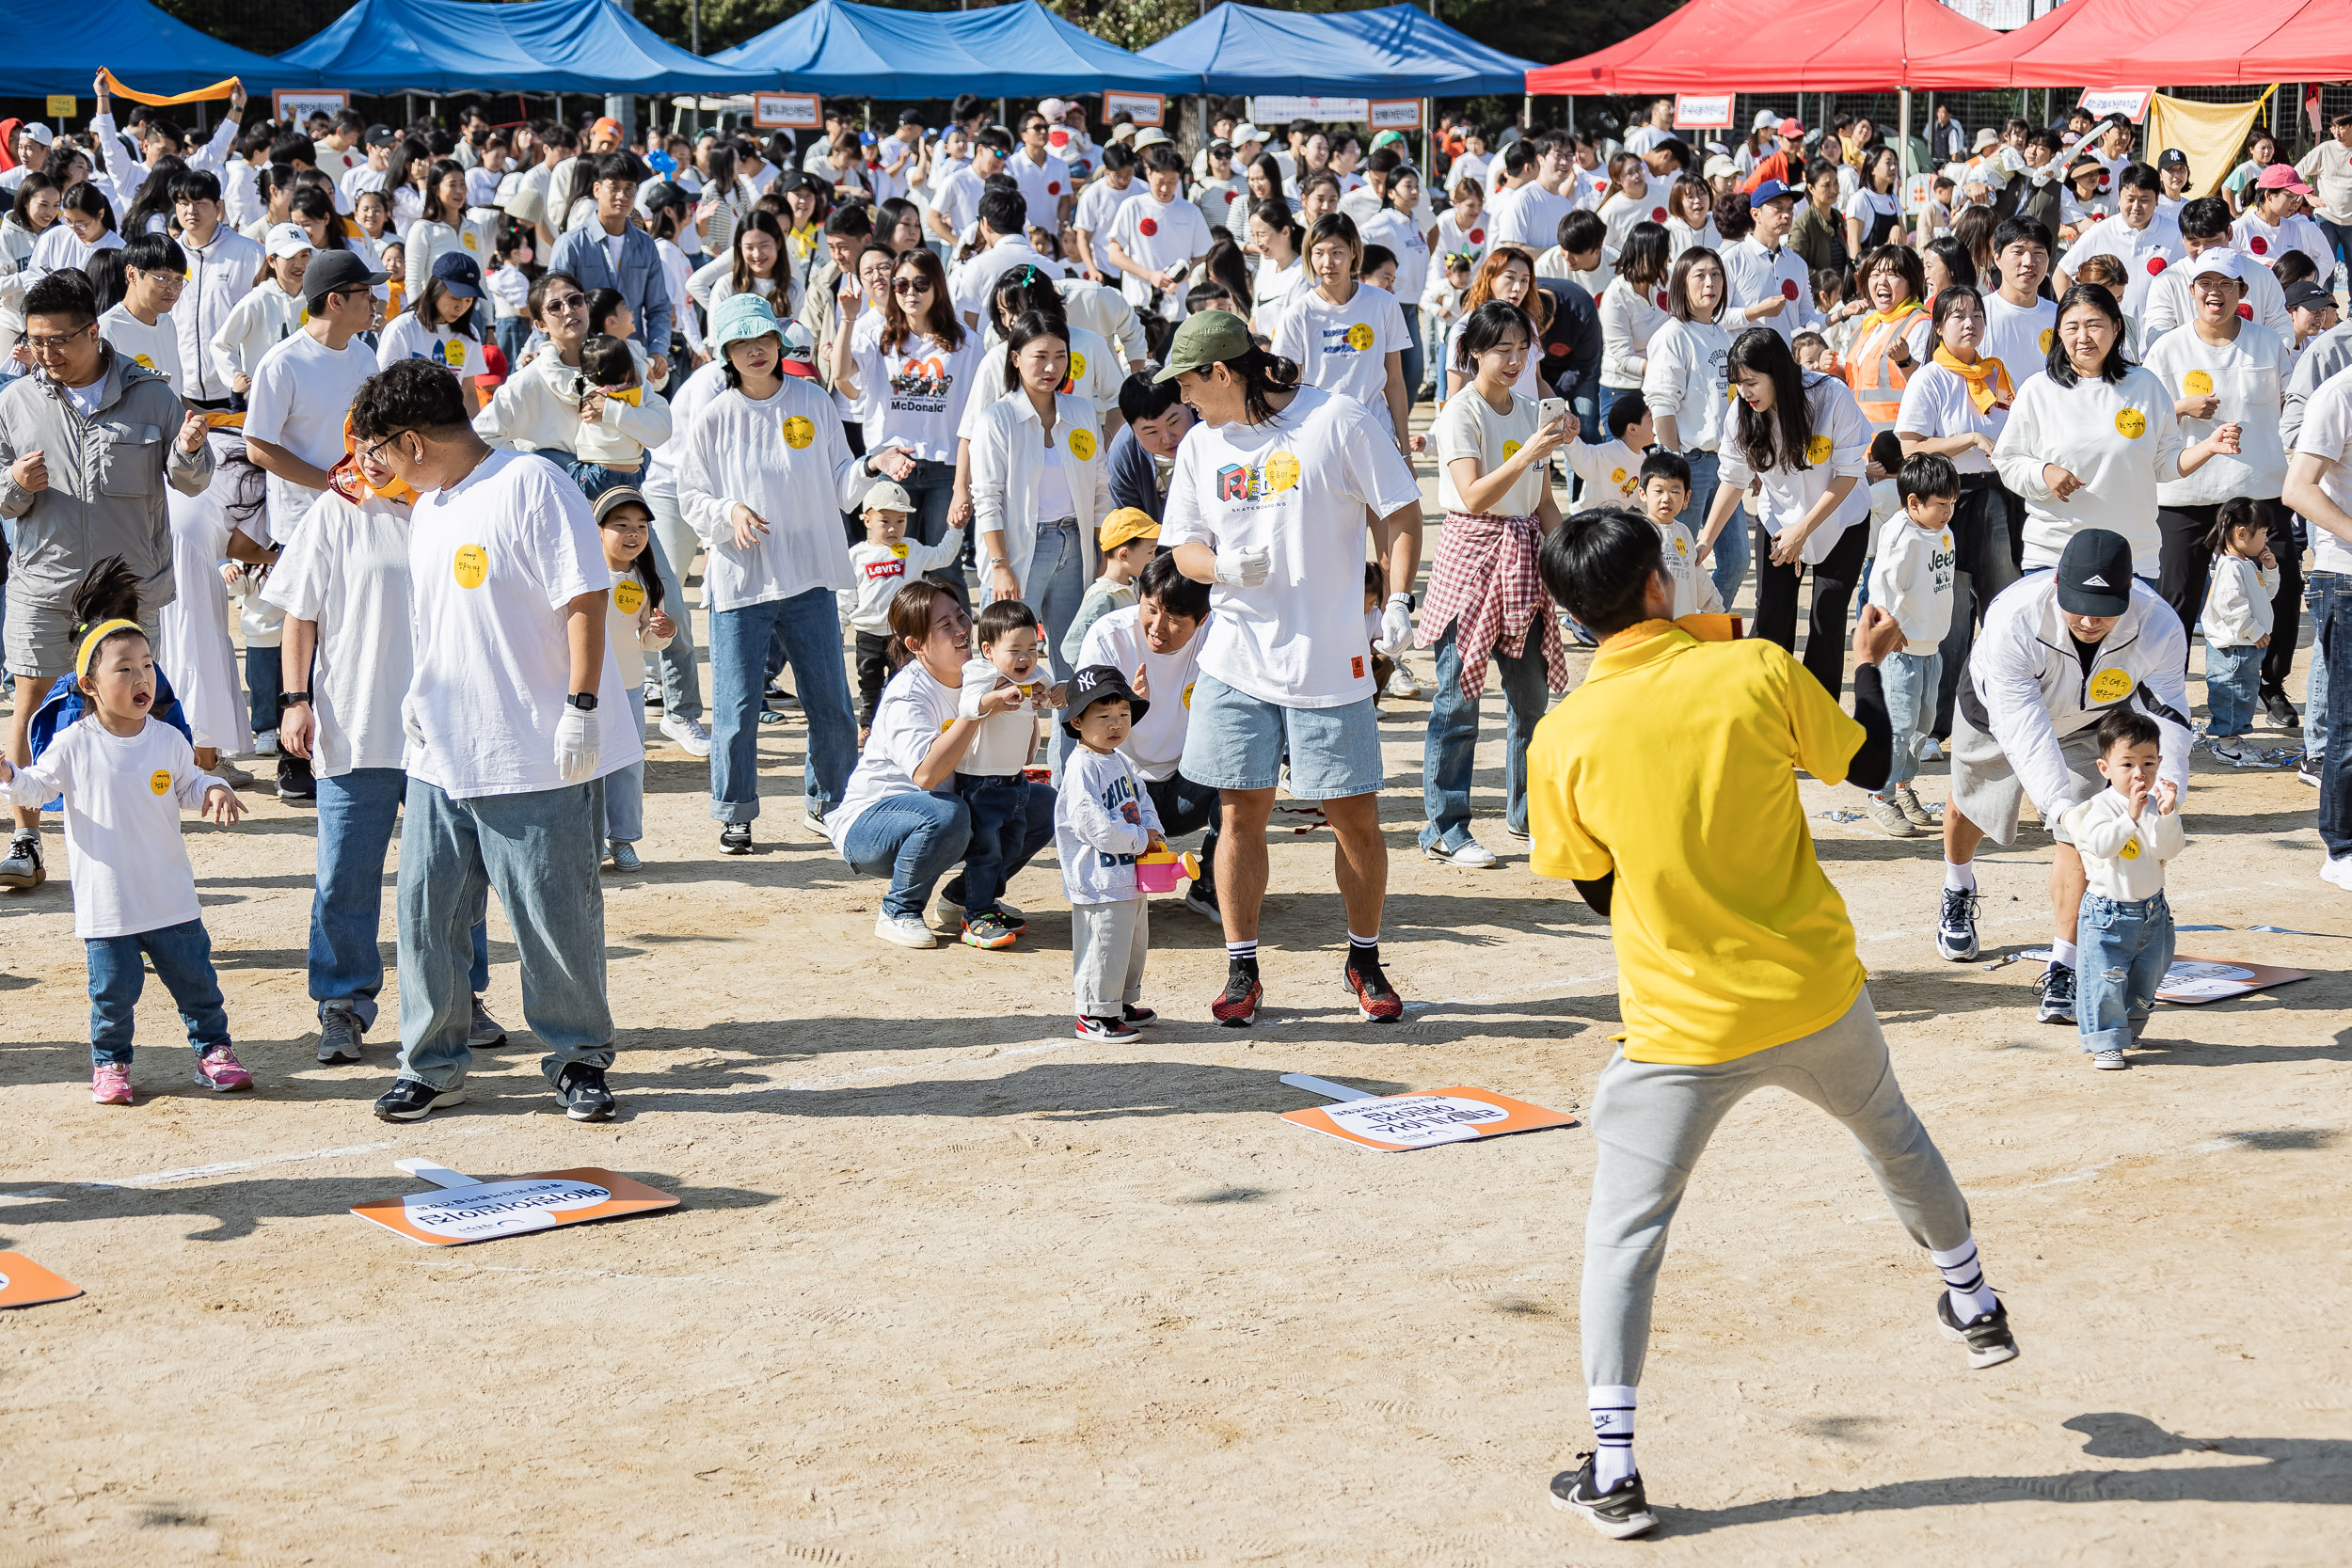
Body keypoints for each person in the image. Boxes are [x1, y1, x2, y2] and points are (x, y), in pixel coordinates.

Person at [1524, 508, 2015, 1542]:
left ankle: (1613, 1465)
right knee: (1893, 1133)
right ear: (1658, 587)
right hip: (1812, 989)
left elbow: (1587, 884)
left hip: (1676, 1023)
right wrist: (1870, 658)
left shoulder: (1561, 730)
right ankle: (1973, 1303)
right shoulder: (1750, 667)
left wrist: (1670, 908)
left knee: (1624, 1236)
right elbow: (1874, 765)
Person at [347, 359, 641, 1124]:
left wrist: (579, 704)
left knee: (553, 915)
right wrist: (418, 700)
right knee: (427, 914)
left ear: (411, 441)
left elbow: (583, 596)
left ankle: (578, 1055)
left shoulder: (530, 484)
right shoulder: (431, 507)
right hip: (443, 748)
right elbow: (437, 624)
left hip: (534, 746)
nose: (373, 465)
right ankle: (431, 1063)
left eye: (378, 449)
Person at [1158, 311, 1422, 1026]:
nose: (1183, 400)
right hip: (1236, 658)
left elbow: (1399, 510)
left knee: (1355, 820)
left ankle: (1363, 959)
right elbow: (1182, 547)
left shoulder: (1336, 420)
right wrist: (1223, 567)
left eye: (1188, 382)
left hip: (1329, 659)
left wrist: (1397, 600)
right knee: (1240, 815)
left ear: (1223, 372)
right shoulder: (1199, 448)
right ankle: (1242, 967)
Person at [266, 428, 501, 1065]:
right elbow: (299, 613)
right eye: (360, 443)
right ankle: (342, 1005)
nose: (371, 458)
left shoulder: (446, 506)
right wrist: (294, 700)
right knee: (345, 872)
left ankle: (462, 996)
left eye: (383, 444)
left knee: (455, 876)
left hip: (442, 727)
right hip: (355, 725)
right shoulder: (336, 510)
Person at [0, 571, 249, 1102]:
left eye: (147, 667)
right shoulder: (72, 743)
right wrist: (8, 774)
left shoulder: (167, 739)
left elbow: (188, 784)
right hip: (107, 905)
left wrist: (215, 786)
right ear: (88, 686)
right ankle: (111, 1065)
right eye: (125, 670)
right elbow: (38, 789)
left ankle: (214, 1053)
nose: (142, 679)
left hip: (171, 900)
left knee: (198, 987)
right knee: (111, 998)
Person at [0, 269, 213, 890]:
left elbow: (190, 482)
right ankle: (27, 839)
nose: (47, 354)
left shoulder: (152, 396)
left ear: (94, 331)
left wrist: (192, 449)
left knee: (128, 715)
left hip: (127, 592)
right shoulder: (15, 403)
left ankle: (131, 847)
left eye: (59, 339)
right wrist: (15, 484)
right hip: (46, 582)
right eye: (36, 341)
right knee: (32, 704)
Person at [1933, 531, 2192, 1034]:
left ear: (2129, 591)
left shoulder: (2159, 622)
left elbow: (2167, 709)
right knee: (1972, 806)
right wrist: (2056, 803)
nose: (2090, 620)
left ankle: (2065, 965)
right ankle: (1957, 884)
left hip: (2093, 718)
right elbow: (2023, 727)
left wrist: (2170, 781)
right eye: (2078, 606)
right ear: (2057, 584)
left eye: (2104, 608)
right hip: (1997, 711)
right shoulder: (2015, 616)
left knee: (2080, 833)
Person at [679, 293, 874, 855]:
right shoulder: (713, 416)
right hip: (741, 581)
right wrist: (728, 512)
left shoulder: (813, 401)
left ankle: (831, 801)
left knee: (831, 703)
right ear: (726, 353)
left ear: (779, 342)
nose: (755, 351)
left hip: (810, 575)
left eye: (763, 339)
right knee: (738, 709)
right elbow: (692, 495)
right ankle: (735, 812)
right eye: (742, 343)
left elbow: (842, 482)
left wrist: (872, 468)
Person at [1418, 299, 1568, 868]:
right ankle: (1444, 825)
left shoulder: (1533, 409)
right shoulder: (1460, 411)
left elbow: (1546, 500)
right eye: (1501, 349)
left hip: (1527, 556)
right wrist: (1531, 449)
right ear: (1474, 352)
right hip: (1474, 557)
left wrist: (1568, 558)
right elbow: (1475, 494)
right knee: (1458, 699)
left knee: (1531, 701)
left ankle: (1527, 817)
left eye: (1521, 348)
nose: (1513, 359)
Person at [830, 578, 1056, 948]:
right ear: (916, 645)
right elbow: (927, 775)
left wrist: (1035, 704)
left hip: (958, 808)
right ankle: (899, 909)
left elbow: (1023, 756)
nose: (962, 629)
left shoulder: (988, 672)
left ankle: (965, 899)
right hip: (873, 825)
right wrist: (978, 711)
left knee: (1041, 803)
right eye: (945, 625)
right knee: (948, 814)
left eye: (961, 616)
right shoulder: (909, 694)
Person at [1994, 283, 2238, 587]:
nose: (2083, 337)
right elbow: (2007, 461)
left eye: (2094, 325)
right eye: (2072, 327)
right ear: (2058, 332)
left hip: (2132, 555)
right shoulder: (2038, 390)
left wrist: (2209, 447)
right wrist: (2043, 473)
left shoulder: (2145, 386)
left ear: (2116, 326)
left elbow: (2165, 463)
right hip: (2055, 554)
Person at [1695, 327, 1871, 698]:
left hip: (1841, 521)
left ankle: (1815, 724)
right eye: (1738, 383)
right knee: (1772, 615)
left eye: (1752, 382)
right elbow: (1733, 479)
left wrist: (1803, 531)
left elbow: (1848, 475)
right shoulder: (1741, 413)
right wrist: (1705, 540)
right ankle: (1766, 709)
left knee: (1827, 618)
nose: (1745, 392)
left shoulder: (1830, 397)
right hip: (1779, 521)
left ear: (1777, 371)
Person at [2142, 249, 2287, 653]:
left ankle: (2271, 686)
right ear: (2192, 291)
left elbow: (2292, 404)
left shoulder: (2268, 343)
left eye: (2226, 284)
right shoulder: (2167, 349)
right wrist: (2182, 408)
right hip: (2184, 494)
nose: (2215, 293)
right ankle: (2165, 694)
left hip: (2257, 492)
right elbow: (2141, 417)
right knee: (2174, 602)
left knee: (2275, 594)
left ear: (2242, 290)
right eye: (2206, 284)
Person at [968, 312, 1111, 688]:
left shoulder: (1080, 412)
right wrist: (1000, 564)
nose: (1052, 366)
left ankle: (1071, 746)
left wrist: (1102, 553)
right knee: (1009, 660)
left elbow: (1100, 487)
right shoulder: (996, 419)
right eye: (1040, 355)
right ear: (1015, 357)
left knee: (1075, 662)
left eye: (1061, 356)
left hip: (1076, 545)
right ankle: (1009, 746)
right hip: (1019, 550)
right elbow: (987, 499)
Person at [1077, 552, 1221, 924]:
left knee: (1245, 770)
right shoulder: (1108, 637)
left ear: (1201, 619)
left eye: (1175, 619)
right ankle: (1110, 887)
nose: (1158, 627)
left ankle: (1210, 884)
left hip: (1187, 784)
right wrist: (1128, 707)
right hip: (1123, 792)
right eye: (1151, 608)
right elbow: (1084, 736)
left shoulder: (1220, 637)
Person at [834, 245, 977, 571]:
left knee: (945, 568)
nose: (910, 292)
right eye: (901, 284)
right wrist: (848, 319)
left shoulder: (966, 342)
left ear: (938, 286)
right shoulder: (878, 336)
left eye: (920, 284)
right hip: (894, 465)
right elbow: (842, 374)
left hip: (946, 467)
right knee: (892, 565)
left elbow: (974, 418)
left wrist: (962, 486)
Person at [2063, 706, 2184, 1069]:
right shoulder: (2099, 807)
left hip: (2152, 913)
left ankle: (2130, 1028)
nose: (2139, 774)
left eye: (2148, 763)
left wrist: (2167, 815)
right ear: (2105, 768)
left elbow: (2169, 850)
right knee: (2104, 979)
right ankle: (2105, 1040)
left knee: (2147, 975)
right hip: (2108, 915)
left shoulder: (2154, 805)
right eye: (2127, 764)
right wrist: (2130, 816)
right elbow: (2101, 846)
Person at [1056, 660, 1163, 1039]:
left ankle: (1120, 1002)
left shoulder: (1122, 762)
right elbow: (1093, 825)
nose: (1116, 723)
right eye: (1103, 715)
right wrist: (1139, 840)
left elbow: (1143, 801)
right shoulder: (1081, 767)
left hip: (1129, 874)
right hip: (1098, 878)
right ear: (1078, 722)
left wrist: (1154, 832)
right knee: (1102, 945)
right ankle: (1094, 1012)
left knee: (1130, 945)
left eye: (1123, 713)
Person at [1862, 454, 1959, 837]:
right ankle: (1879, 795)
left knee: (1922, 724)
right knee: (1897, 727)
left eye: (1952, 503)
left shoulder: (1943, 531)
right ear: (1914, 502)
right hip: (1901, 652)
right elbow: (1882, 586)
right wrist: (1889, 627)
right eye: (1941, 504)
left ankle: (1902, 786)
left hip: (1930, 645)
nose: (1948, 512)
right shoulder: (1901, 535)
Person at [953, 597, 1054, 950]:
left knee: (1011, 844)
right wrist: (993, 699)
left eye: (1033, 648)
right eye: (1015, 650)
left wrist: (1050, 693)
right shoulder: (983, 674)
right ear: (988, 650)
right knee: (987, 850)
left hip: (1016, 780)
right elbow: (967, 706)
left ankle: (986, 903)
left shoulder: (1032, 674)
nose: (1026, 658)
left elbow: (1047, 686)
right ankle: (976, 913)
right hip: (981, 783)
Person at [590, 486, 676, 870]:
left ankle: (622, 839)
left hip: (628, 687)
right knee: (587, 767)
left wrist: (664, 630)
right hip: (584, 688)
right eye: (621, 524)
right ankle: (589, 843)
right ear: (597, 530)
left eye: (641, 526)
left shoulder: (645, 578)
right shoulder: (581, 571)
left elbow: (647, 638)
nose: (633, 533)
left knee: (627, 765)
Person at [1270, 214, 1410, 450]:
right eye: (1319, 253)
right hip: (1320, 436)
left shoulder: (1383, 303)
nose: (1328, 262)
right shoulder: (1298, 313)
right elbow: (1286, 388)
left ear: (1353, 252)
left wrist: (1406, 451)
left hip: (1375, 432)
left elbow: (1395, 381)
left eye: (1337, 252)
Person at [841, 478, 963, 735]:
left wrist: (955, 529)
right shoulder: (856, 555)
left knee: (905, 680)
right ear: (867, 520)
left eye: (900, 521)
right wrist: (839, 626)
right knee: (869, 683)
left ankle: (901, 723)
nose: (893, 528)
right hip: (868, 633)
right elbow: (845, 595)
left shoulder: (913, 549)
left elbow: (943, 556)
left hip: (905, 634)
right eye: (884, 521)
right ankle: (868, 725)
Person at [548, 153, 672, 385]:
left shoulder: (645, 244)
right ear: (596, 190)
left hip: (632, 360)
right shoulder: (571, 244)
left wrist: (658, 350)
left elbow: (659, 307)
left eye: (629, 189)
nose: (622, 196)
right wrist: (542, 350)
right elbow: (552, 305)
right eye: (613, 187)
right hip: (582, 360)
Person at [2200, 498, 2278, 768]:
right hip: (2234, 647)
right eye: (2264, 532)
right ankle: (2227, 746)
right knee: (2232, 694)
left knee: (2243, 693)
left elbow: (2263, 596)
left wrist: (2269, 570)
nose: (2267, 538)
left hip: (2244, 644)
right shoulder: (2230, 566)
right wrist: (2254, 631)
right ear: (2241, 533)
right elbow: (2230, 605)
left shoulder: (2244, 563)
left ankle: (2234, 739)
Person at [2052, 165, 2181, 318]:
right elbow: (2061, 275)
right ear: (2119, 198)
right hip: (2110, 336)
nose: (2136, 207)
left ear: (2157, 200)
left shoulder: (2175, 234)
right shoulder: (2101, 231)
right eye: (2130, 199)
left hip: (2158, 334)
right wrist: (2074, 317)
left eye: (2144, 200)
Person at [376, 251, 489, 414]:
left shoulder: (470, 333)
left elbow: (469, 392)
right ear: (435, 288)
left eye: (468, 300)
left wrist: (474, 433)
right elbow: (383, 386)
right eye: (455, 298)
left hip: (451, 430)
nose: (461, 307)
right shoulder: (401, 329)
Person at [1063, 507, 1158, 667]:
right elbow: (1072, 647)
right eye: (1150, 552)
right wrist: (1096, 681)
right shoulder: (1103, 596)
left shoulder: (1133, 587)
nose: (1154, 559)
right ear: (1124, 555)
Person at [1104, 372, 1194, 523]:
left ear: (1188, 404)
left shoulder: (1216, 429)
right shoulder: (1123, 453)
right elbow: (1130, 525)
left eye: (1174, 422)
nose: (1168, 438)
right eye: (1152, 432)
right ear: (1133, 430)